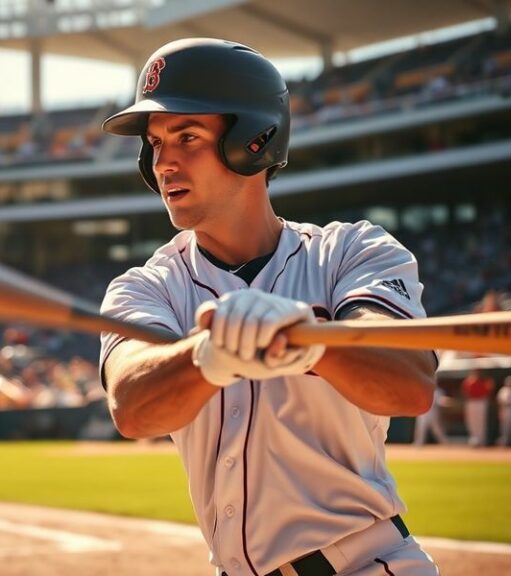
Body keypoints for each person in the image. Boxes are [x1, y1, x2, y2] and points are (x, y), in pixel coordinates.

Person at [99, 38, 439, 576]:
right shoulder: (146, 287)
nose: (164, 163)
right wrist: (210, 356)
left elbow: (409, 383)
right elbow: (133, 405)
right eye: (156, 144)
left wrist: (308, 342)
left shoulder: (351, 252)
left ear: (253, 141)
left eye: (187, 136)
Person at [461, 368, 494, 447]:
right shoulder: (468, 381)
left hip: (480, 401)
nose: (476, 373)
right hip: (471, 402)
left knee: (480, 422)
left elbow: (488, 391)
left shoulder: (484, 381)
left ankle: (482, 440)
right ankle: (474, 439)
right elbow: (465, 392)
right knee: (471, 421)